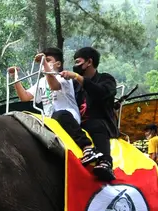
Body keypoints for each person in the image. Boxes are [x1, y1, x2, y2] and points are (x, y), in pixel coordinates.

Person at [8, 48, 94, 155]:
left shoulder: (63, 77)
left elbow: (54, 86)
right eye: (43, 61)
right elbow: (24, 97)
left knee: (59, 115)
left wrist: (43, 63)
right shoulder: (42, 82)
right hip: (49, 119)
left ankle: (87, 146)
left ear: (58, 64)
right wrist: (15, 78)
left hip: (67, 117)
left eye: (48, 60)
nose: (43, 63)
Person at [60, 47, 117, 182]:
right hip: (78, 124)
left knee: (94, 123)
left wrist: (77, 77)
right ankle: (86, 148)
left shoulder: (106, 79)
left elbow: (100, 92)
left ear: (89, 62)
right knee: (60, 115)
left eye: (78, 61)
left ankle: (106, 162)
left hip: (100, 124)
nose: (75, 66)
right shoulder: (74, 85)